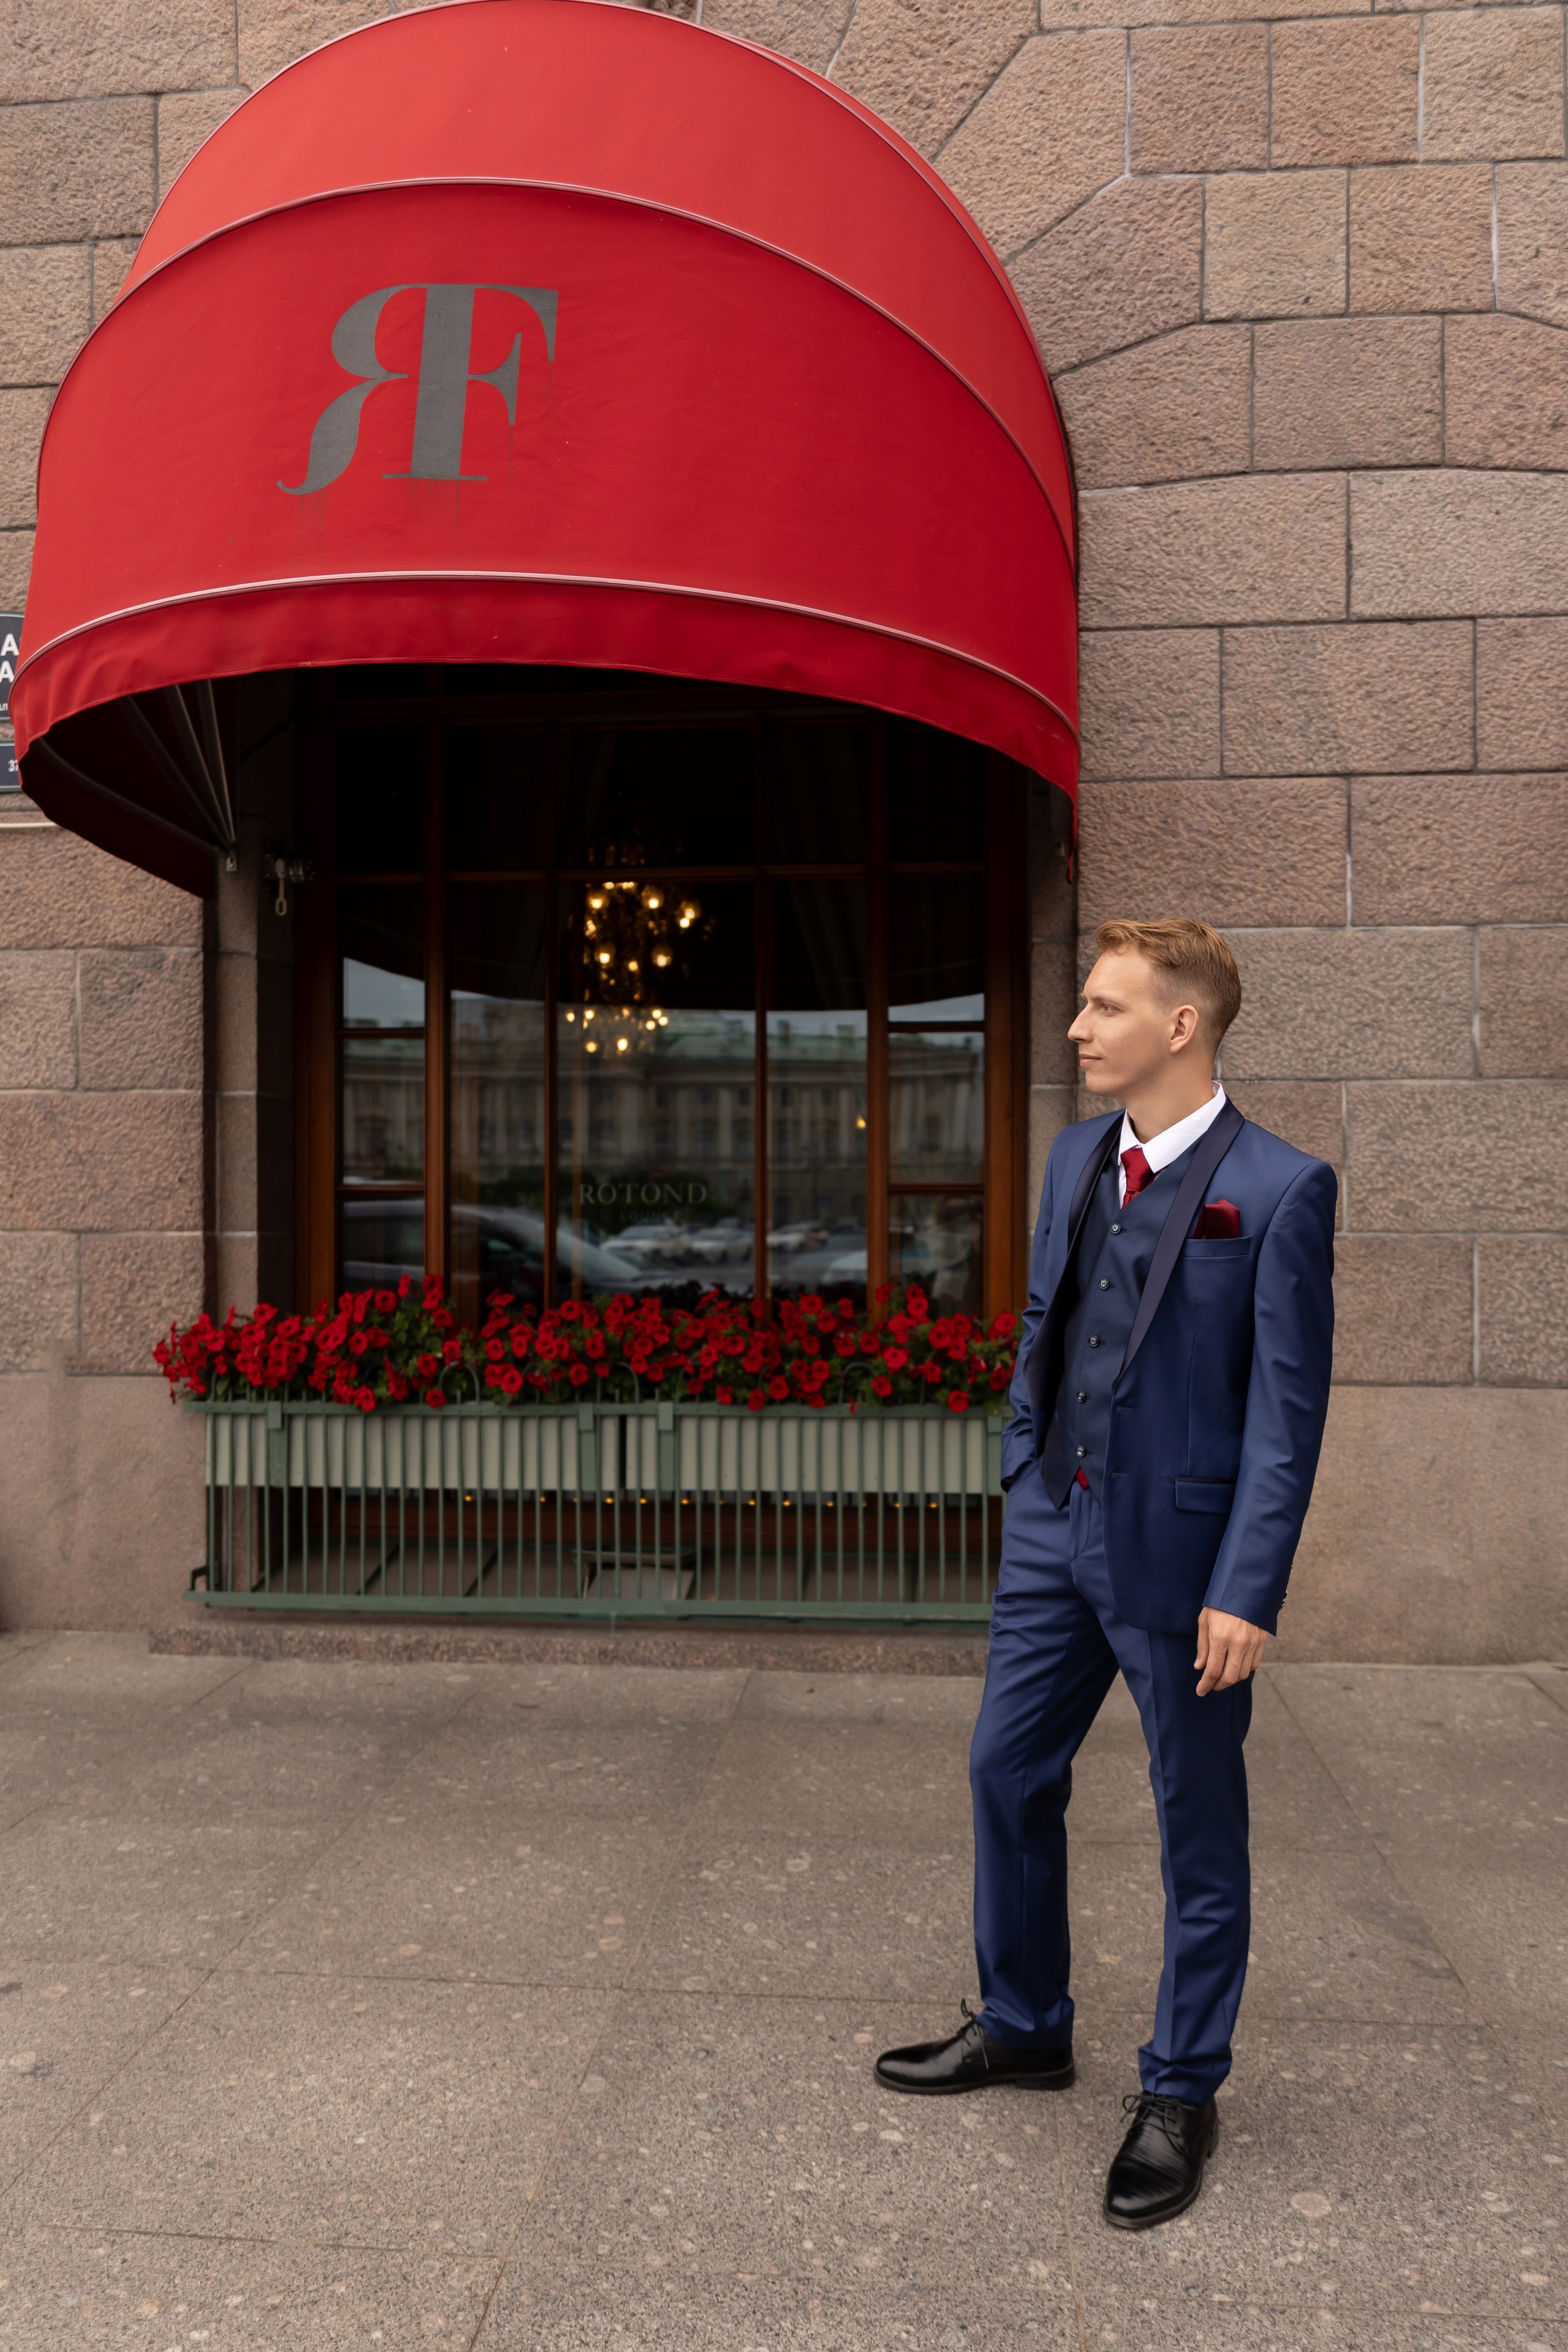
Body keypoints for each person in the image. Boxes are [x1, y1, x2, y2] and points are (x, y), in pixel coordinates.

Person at [875, 918, 1336, 2230]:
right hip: (1050, 1534)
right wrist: (1025, 1471)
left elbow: (1283, 1416)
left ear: (1176, 1027)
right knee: (1003, 1770)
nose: (1075, 1029)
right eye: (1081, 1006)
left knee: (1195, 1826)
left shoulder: (1280, 1189)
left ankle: (1180, 2088)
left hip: (1185, 1562)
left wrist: (1246, 1587)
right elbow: (1046, 1322)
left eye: (1100, 1008)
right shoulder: (1077, 1155)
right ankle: (1023, 2025)